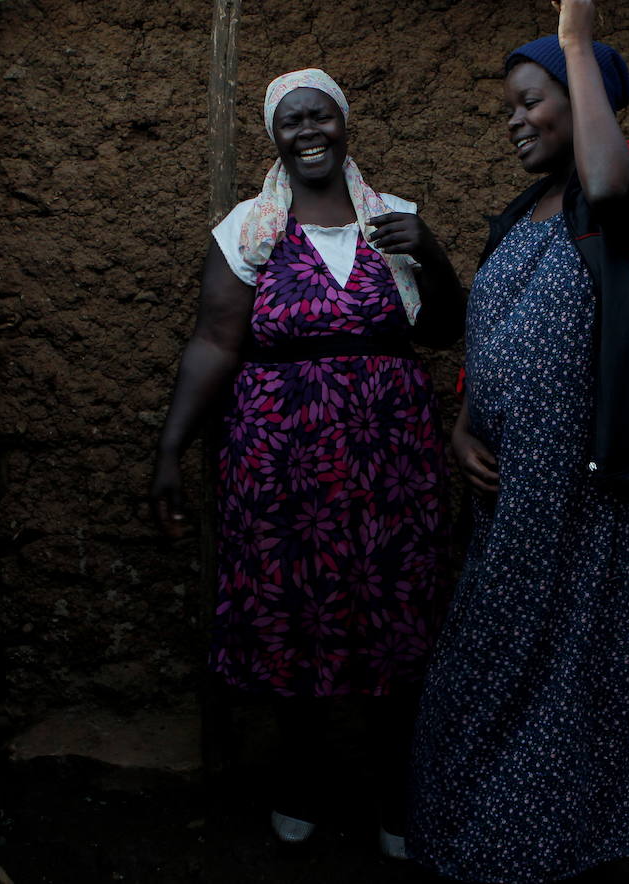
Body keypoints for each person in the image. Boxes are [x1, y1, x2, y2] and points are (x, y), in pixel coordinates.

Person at [407, 0, 629, 883]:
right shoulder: (516, 216)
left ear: (585, 97)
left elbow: (602, 180)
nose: (515, 122)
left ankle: (550, 842)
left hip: (596, 490)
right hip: (511, 492)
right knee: (489, 658)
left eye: (532, 101)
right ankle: (473, 830)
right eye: (509, 108)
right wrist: (463, 424)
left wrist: (578, 38)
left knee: (570, 667)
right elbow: (488, 339)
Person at [150, 69, 463, 857]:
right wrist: (170, 449)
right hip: (280, 465)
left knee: (395, 618)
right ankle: (301, 780)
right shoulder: (247, 231)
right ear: (275, 136)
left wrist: (432, 254)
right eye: (292, 121)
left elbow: (443, 333)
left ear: (344, 124)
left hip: (390, 465)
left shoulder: (396, 221)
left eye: (321, 115)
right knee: (294, 616)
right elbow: (217, 341)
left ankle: (397, 794)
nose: (308, 130)